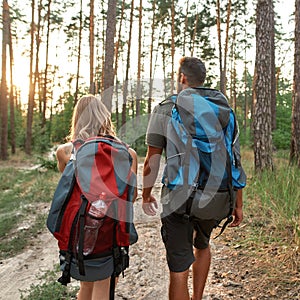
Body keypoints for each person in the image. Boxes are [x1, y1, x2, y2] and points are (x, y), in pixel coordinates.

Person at [142, 57, 244, 300]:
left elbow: (151, 160)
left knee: (179, 269)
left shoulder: (167, 108)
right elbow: (235, 161)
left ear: (182, 78)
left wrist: (146, 195)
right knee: (203, 244)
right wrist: (238, 204)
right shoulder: (225, 112)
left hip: (179, 199)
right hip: (216, 197)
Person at [56, 94, 138, 300]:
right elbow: (132, 196)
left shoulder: (66, 152)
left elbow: (69, 190)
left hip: (80, 229)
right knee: (105, 285)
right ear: (105, 117)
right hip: (111, 230)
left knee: (86, 284)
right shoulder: (128, 153)